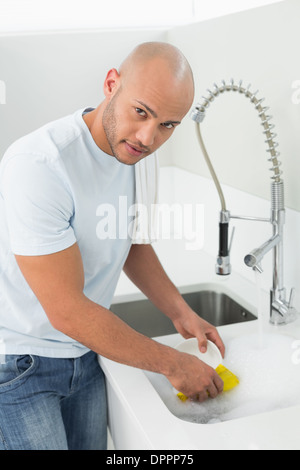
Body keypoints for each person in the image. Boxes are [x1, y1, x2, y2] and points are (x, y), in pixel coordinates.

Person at [0, 41, 225, 450]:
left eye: (167, 125)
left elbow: (131, 241)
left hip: (87, 354)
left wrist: (181, 313)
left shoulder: (137, 156)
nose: (148, 137)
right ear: (111, 84)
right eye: (141, 112)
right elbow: (66, 310)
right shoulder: (40, 164)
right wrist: (172, 363)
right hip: (19, 365)